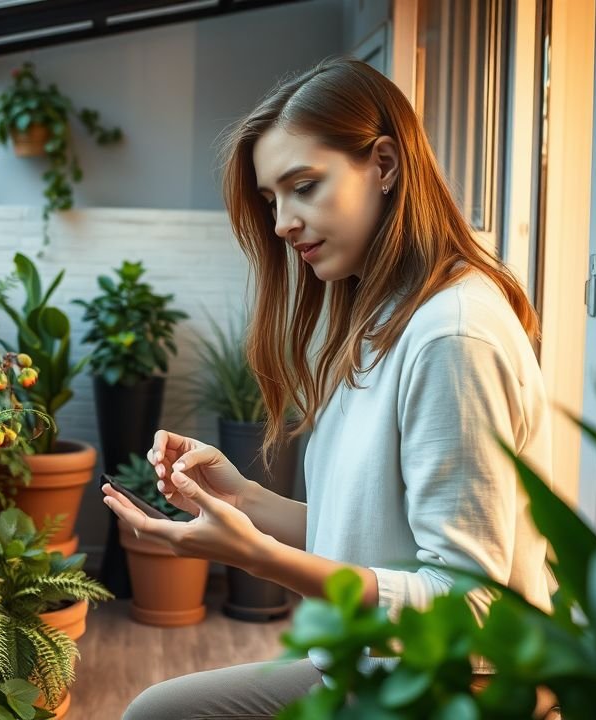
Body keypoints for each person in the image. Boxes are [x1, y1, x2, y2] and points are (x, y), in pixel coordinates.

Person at [103, 56, 553, 720]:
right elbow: (371, 538)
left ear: (385, 165)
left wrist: (258, 558)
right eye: (271, 199)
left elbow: (470, 604)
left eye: (304, 186)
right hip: (376, 669)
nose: (283, 222)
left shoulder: (451, 336)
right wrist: (244, 497)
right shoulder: (381, 319)